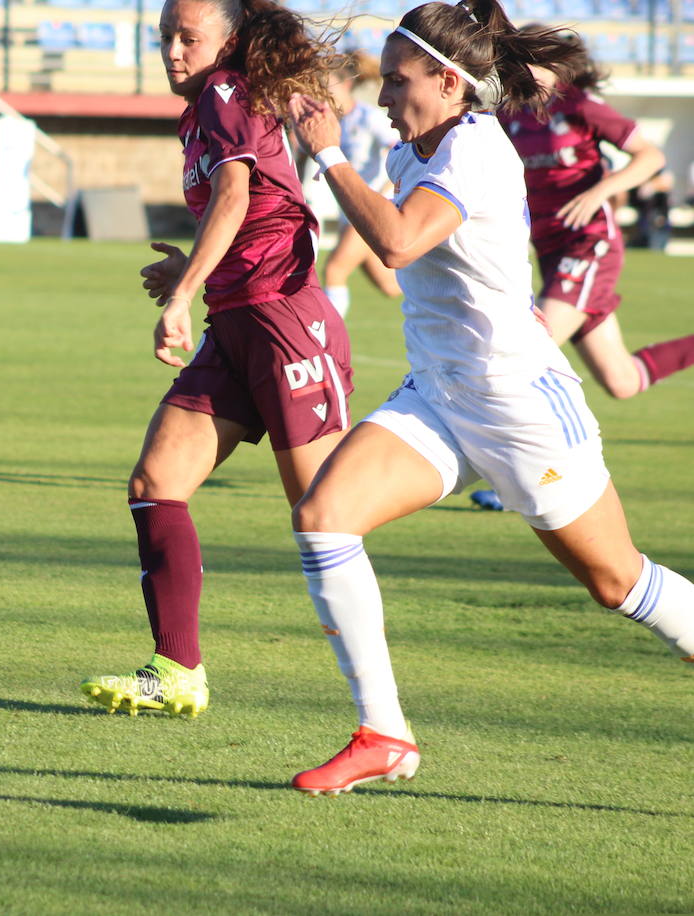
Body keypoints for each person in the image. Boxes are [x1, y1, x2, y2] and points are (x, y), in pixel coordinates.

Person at [283, 0, 694, 796]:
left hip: (522, 407)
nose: (382, 98)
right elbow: (393, 247)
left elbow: (399, 241)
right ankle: (384, 734)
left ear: (446, 81)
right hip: (438, 396)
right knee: (323, 519)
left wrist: (330, 158)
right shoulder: (417, 151)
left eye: (397, 82)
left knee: (618, 584)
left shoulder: (472, 151)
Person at [79, 0, 350, 718]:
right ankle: (177, 669)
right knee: (155, 482)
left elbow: (235, 191)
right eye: (164, 36)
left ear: (228, 40)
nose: (171, 49)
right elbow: (239, 205)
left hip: (285, 320)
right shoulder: (201, 108)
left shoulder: (227, 91)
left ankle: (378, 712)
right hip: (234, 324)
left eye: (186, 37)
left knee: (328, 518)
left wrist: (183, 294)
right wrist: (191, 274)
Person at [469, 29, 693, 511]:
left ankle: (528, 478)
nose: (519, 73)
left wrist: (599, 192)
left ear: (553, 65)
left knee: (527, 348)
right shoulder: (509, 115)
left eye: (527, 63)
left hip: (589, 245)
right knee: (622, 380)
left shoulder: (580, 105)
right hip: (551, 254)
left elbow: (649, 156)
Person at [320, 49, 401, 318]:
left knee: (334, 270)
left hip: (370, 208)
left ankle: (328, 344)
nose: (321, 92)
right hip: (351, 211)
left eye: (325, 85)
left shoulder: (368, 117)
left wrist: (382, 192)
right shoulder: (337, 123)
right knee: (390, 285)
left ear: (345, 84)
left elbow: (399, 149)